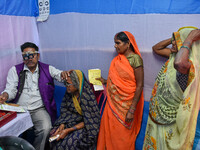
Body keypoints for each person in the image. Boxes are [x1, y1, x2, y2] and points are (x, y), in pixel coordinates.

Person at [0, 42, 69, 150]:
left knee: (46, 128)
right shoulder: (15, 70)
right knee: (6, 130)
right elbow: (11, 89)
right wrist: (5, 95)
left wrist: (64, 74)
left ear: (38, 55)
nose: (29, 58)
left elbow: (59, 75)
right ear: (23, 57)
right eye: (25, 56)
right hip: (19, 110)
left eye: (31, 55)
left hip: (38, 109)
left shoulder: (47, 69)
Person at [143, 27, 200, 150]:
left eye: (178, 40)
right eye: (174, 40)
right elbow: (156, 48)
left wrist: (189, 38)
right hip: (157, 116)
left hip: (171, 121)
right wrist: (175, 38)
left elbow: (179, 63)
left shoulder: (188, 66)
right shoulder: (172, 56)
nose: (174, 42)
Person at [97, 31, 144, 150]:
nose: (115, 46)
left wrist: (132, 110)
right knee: (110, 133)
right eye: (114, 43)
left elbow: (139, 85)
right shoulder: (117, 60)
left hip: (126, 107)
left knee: (122, 138)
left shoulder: (135, 59)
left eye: (118, 43)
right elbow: (117, 81)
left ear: (128, 43)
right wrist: (105, 81)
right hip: (112, 105)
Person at [49, 70, 100, 150]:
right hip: (69, 122)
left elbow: (90, 121)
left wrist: (68, 130)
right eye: (65, 83)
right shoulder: (69, 94)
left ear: (77, 83)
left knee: (70, 142)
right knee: (53, 135)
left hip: (84, 126)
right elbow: (65, 111)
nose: (66, 86)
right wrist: (62, 125)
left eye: (68, 84)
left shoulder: (87, 98)